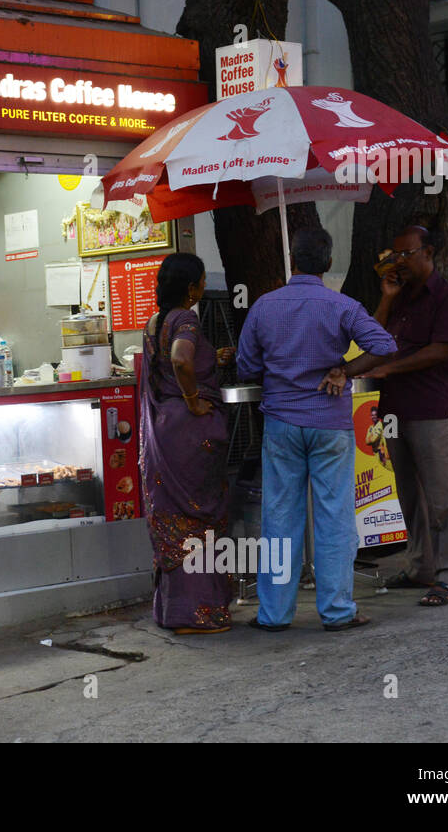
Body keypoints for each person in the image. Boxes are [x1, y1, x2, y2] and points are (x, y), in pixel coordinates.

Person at [236, 227, 396, 631]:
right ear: (327, 263)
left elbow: (246, 367)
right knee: (335, 516)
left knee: (279, 518)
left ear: (292, 260)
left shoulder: (264, 307)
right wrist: (344, 369)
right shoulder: (342, 305)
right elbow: (384, 345)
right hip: (330, 424)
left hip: (281, 424)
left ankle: (273, 614)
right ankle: (338, 611)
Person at [365, 224, 448, 607]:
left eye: (406, 254)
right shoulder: (400, 299)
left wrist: (389, 370)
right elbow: (372, 339)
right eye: (394, 255)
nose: (399, 262)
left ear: (428, 252)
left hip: (430, 408)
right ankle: (421, 566)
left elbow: (442, 350)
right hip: (394, 411)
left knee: (445, 496)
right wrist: (387, 298)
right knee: (410, 496)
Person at [138, 252, 237, 634]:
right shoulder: (187, 318)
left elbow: (170, 362)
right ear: (192, 288)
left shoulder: (153, 321)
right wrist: (194, 399)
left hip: (164, 429)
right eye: (200, 282)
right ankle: (201, 614)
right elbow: (180, 360)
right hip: (190, 429)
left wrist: (213, 359)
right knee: (200, 518)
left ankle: (173, 611)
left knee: (174, 517)